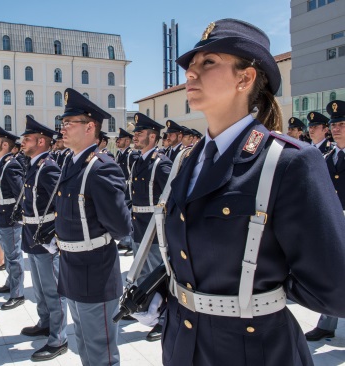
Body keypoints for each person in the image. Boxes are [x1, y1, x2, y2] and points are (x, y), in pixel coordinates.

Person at [146, 18, 345, 366]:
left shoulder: (287, 162)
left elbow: (335, 288)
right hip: (181, 344)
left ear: (245, 77)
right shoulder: (186, 161)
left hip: (252, 349)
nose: (190, 74)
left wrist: (260, 294)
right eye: (190, 66)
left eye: (208, 63)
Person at [55, 88, 132, 365]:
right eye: (62, 123)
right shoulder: (70, 162)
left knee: (101, 350)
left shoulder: (101, 168)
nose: (62, 129)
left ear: (90, 127)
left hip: (94, 269)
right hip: (72, 266)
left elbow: (122, 227)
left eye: (68, 124)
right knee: (85, 344)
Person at [19, 115, 68, 361]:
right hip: (31, 235)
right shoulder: (34, 164)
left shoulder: (48, 167)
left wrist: (56, 238)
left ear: (40, 141)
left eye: (27, 138)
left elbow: (61, 203)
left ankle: (58, 338)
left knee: (53, 290)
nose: (22, 142)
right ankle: (45, 322)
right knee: (39, 287)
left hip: (45, 237)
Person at [128, 112, 172, 341]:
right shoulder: (139, 161)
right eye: (135, 132)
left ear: (153, 136)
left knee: (157, 276)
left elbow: (173, 198)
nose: (135, 136)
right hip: (139, 227)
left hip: (154, 231)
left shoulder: (160, 163)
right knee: (143, 274)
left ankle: (164, 319)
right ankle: (144, 306)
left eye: (140, 133)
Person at [304, 99, 345, 342]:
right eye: (334, 124)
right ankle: (327, 322)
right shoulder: (327, 158)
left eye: (341, 123)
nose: (336, 128)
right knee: (333, 272)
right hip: (334, 223)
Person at [0, 124, 25, 310]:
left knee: (13, 255)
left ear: (5, 145)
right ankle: (11, 282)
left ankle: (18, 293)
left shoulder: (11, 165)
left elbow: (21, 193)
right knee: (9, 253)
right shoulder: (0, 163)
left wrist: (17, 214)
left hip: (8, 217)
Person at [115, 127, 140, 256]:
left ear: (127, 140)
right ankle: (125, 241)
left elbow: (134, 174)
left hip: (129, 192)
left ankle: (130, 243)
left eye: (120, 139)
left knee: (130, 217)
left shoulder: (132, 154)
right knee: (124, 216)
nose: (117, 141)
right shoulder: (120, 154)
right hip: (122, 191)